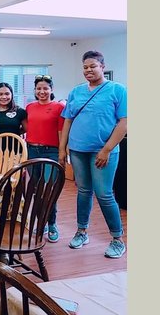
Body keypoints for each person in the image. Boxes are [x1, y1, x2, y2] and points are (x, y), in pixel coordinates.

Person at [59, 50, 127, 258]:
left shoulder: (117, 90)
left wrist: (106, 149)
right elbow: (68, 120)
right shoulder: (77, 92)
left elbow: (124, 122)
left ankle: (117, 239)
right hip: (78, 150)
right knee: (84, 191)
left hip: (103, 152)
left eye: (93, 66)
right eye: (85, 67)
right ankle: (81, 232)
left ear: (102, 67)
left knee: (104, 194)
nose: (88, 70)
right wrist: (62, 148)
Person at [25, 75, 65, 243]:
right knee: (35, 189)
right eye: (39, 88)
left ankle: (52, 224)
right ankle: (41, 222)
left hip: (51, 152)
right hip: (32, 151)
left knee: (49, 190)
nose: (42, 91)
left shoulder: (59, 107)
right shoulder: (29, 107)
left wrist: (63, 152)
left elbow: (62, 132)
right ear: (35, 90)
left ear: (51, 89)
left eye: (45, 88)